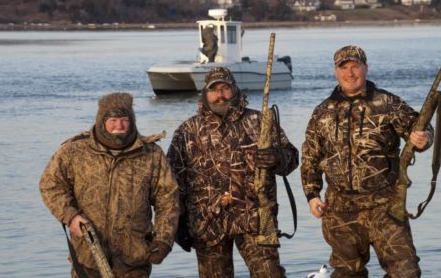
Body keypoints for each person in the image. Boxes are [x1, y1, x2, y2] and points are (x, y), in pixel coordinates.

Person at [301, 45, 433, 278]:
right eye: (344, 68)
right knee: (347, 273)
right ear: (335, 72)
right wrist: (312, 195)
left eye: (355, 67)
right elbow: (310, 157)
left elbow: (420, 128)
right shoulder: (322, 112)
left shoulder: (387, 103)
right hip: (340, 211)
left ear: (366, 69)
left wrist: (423, 138)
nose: (350, 73)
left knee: (406, 271)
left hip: (385, 207)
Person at [167, 67, 299, 278]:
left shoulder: (260, 121)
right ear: (205, 93)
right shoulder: (187, 131)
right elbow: (173, 182)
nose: (220, 95)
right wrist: (178, 223)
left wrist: (275, 158)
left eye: (225, 88)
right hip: (207, 223)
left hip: (256, 218)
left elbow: (291, 160)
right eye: (214, 89)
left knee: (270, 274)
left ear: (235, 90)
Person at [39, 92, 180, 278]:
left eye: (124, 120)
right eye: (112, 120)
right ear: (101, 120)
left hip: (134, 259)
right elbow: (50, 184)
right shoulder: (74, 151)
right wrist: (70, 217)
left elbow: (168, 198)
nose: (118, 126)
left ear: (132, 121)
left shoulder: (151, 154)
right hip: (87, 256)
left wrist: (163, 239)